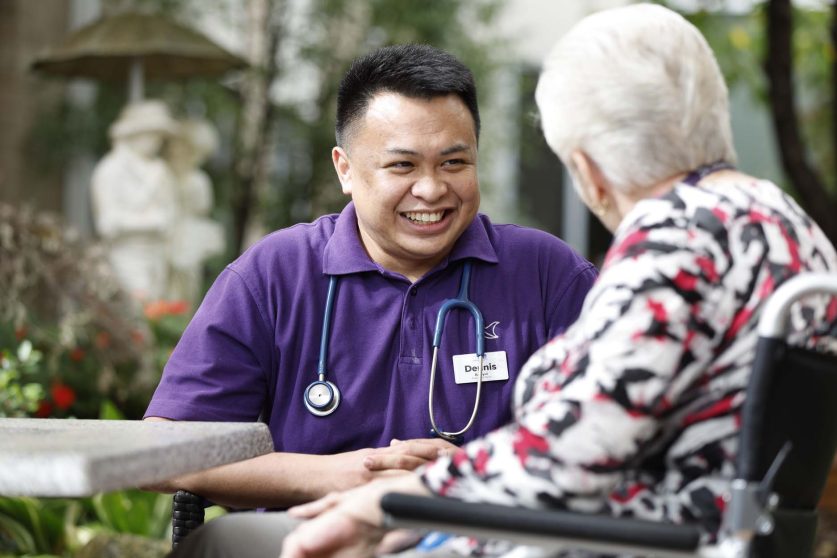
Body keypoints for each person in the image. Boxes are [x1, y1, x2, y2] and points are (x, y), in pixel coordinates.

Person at [273, 5, 837, 558]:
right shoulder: (787, 224)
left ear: (589, 171)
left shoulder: (678, 243)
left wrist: (386, 503)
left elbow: (568, 454)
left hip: (630, 541)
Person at [146, 43, 596, 524]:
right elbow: (164, 449)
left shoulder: (547, 274)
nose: (431, 189)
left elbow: (612, 437)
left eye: (454, 163)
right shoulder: (275, 274)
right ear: (345, 169)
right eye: (403, 165)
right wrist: (340, 476)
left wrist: (473, 475)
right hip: (308, 539)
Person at [91, 100, 178, 301]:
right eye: (151, 134)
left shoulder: (160, 170)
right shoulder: (110, 170)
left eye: (159, 136)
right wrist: (151, 222)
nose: (156, 141)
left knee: (158, 310)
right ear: (133, 133)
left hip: (157, 257)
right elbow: (107, 223)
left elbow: (171, 210)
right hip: (126, 257)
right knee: (134, 309)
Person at [165, 117, 225, 306]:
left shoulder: (198, 180)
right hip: (166, 232)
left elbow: (202, 208)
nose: (176, 151)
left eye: (182, 147)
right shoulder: (164, 173)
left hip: (187, 236)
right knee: (165, 286)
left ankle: (178, 319)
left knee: (185, 287)